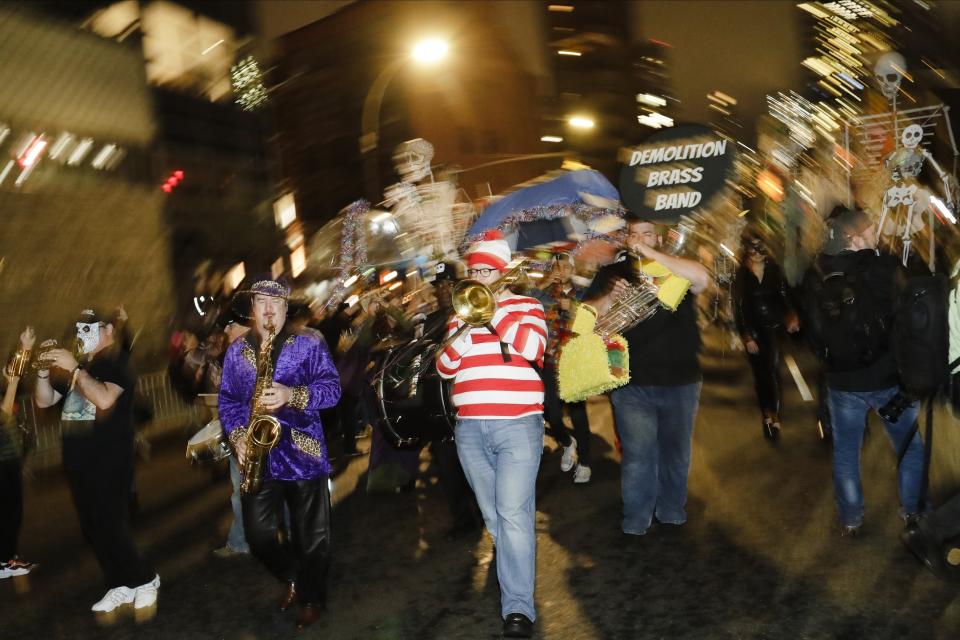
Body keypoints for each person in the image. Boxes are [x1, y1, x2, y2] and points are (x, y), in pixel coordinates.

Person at [436, 230, 547, 639]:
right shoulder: (460, 313)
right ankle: (513, 568)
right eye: (473, 270)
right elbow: (445, 366)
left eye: (485, 270)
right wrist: (465, 327)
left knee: (513, 514)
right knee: (494, 515)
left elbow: (535, 347)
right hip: (469, 429)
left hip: (518, 424)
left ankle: (518, 608)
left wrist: (494, 313)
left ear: (501, 273)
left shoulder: (526, 306)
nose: (477, 276)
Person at [219, 277, 341, 629]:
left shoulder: (309, 342)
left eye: (276, 303)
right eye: (261, 302)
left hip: (303, 453)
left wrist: (293, 395)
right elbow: (228, 401)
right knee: (258, 535)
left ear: (286, 308)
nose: (268, 309)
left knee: (312, 537)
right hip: (260, 457)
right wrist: (239, 437)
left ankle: (312, 596)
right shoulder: (237, 351)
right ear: (252, 308)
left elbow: (332, 390)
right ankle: (292, 576)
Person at [583, 214, 711, 537]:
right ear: (625, 238)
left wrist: (653, 257)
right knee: (638, 456)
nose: (639, 240)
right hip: (632, 382)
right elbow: (589, 318)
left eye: (647, 235)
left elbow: (702, 279)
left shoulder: (675, 266)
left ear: (658, 238)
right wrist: (610, 298)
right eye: (634, 235)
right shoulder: (613, 273)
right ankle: (637, 516)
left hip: (681, 380)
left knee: (676, 452)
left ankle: (671, 508)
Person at [802, 208, 925, 536]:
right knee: (910, 448)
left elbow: (811, 330)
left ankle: (851, 519)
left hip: (842, 383)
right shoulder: (884, 267)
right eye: (870, 231)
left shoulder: (816, 272)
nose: (876, 234)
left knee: (846, 452)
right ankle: (912, 513)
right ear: (854, 238)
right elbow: (908, 319)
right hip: (888, 379)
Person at [34, 309, 159, 615]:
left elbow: (104, 399)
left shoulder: (116, 362)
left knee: (113, 525)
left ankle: (145, 579)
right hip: (78, 463)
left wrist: (75, 369)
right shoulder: (82, 368)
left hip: (109, 461)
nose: (82, 334)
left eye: (89, 328)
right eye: (79, 329)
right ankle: (120, 584)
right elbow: (43, 401)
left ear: (108, 332)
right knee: (93, 529)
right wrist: (41, 370)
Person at [732, 232, 799, 440]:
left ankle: (775, 414)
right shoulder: (742, 276)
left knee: (773, 370)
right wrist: (747, 336)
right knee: (761, 374)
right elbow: (739, 308)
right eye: (753, 248)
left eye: (760, 247)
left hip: (773, 327)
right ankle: (766, 411)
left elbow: (784, 293)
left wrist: (791, 315)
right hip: (754, 331)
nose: (758, 253)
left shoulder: (774, 270)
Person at [534, 254, 593, 483]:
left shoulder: (582, 293)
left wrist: (573, 308)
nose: (562, 270)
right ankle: (568, 442)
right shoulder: (545, 294)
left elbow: (593, 320)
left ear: (573, 268)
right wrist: (545, 281)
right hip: (550, 362)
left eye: (567, 266)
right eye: (558, 266)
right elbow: (527, 301)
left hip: (573, 362)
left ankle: (585, 462)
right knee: (552, 414)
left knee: (578, 414)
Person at [211, 313, 252, 559]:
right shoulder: (236, 352)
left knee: (243, 493)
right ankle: (241, 540)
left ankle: (242, 541)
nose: (227, 331)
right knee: (241, 493)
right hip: (241, 434)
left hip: (248, 434)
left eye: (231, 325)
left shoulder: (245, 353)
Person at [0, 327, 38, 580]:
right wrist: (12, 381)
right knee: (9, 514)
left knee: (13, 513)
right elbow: (3, 416)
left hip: (10, 460)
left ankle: (8, 559)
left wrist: (24, 349)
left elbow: (12, 371)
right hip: (2, 463)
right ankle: (6, 561)